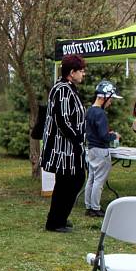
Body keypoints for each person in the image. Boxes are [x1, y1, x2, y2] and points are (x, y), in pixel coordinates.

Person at [41, 54, 87, 233]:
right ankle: (55, 221)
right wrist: (77, 138)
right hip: (64, 148)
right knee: (71, 181)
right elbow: (63, 120)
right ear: (72, 72)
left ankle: (59, 218)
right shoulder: (62, 90)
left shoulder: (69, 88)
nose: (83, 74)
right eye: (81, 71)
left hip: (70, 147)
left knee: (68, 182)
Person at [84, 80, 121, 218]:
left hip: (91, 149)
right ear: (102, 97)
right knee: (99, 181)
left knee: (91, 179)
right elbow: (104, 136)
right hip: (101, 150)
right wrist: (114, 136)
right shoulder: (100, 114)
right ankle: (95, 208)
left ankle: (89, 206)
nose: (111, 102)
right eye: (110, 99)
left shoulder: (89, 111)